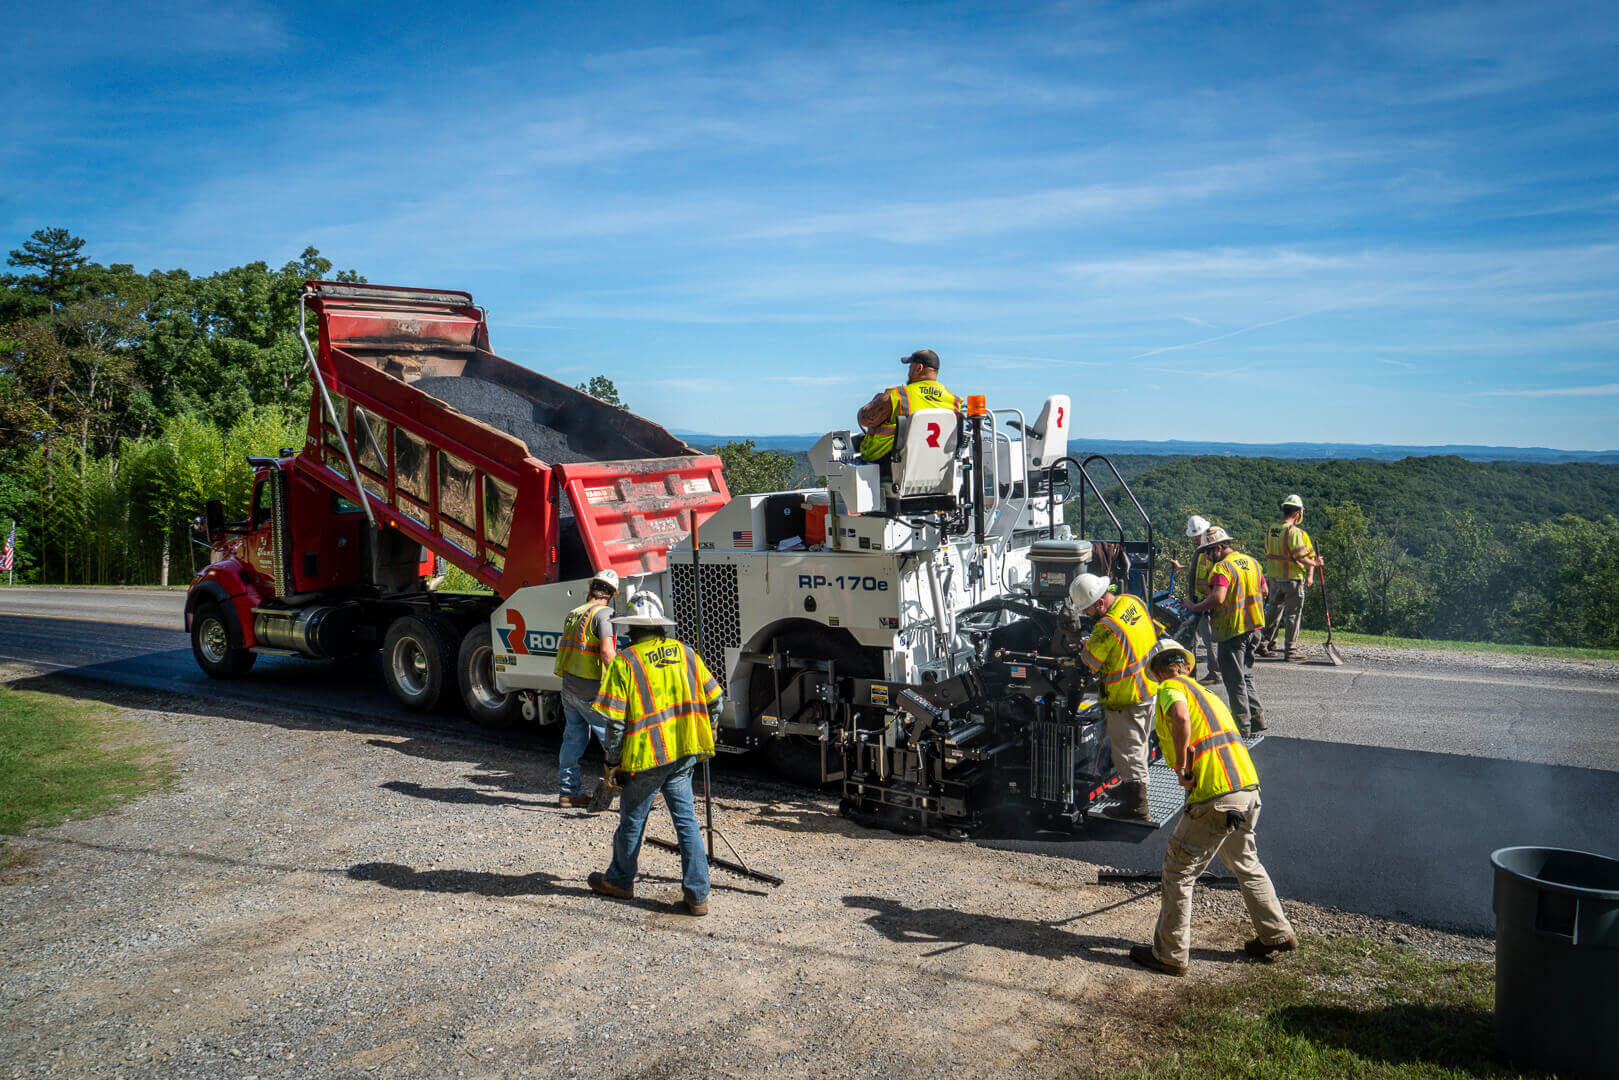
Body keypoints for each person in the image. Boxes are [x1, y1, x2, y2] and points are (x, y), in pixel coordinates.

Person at [1128, 639, 1296, 977]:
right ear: (1188, 666)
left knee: (1179, 869)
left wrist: (1184, 770)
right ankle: (1276, 933)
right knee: (1246, 862)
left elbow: (1179, 718)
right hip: (1247, 790)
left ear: (1157, 672)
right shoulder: (1210, 696)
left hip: (1215, 794)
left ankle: (1170, 954)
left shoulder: (1171, 689)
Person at [587, 590, 724, 916]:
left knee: (632, 819)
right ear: (660, 627)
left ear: (632, 629)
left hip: (648, 757)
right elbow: (715, 701)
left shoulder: (625, 663)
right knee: (687, 822)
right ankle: (697, 896)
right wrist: (712, 726)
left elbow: (616, 724)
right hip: (684, 752)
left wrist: (611, 762)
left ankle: (620, 881)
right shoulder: (686, 653)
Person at [1068, 572, 1161, 819]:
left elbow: (1089, 663)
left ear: (1099, 603)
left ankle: (1137, 805)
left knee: (1129, 753)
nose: (1086, 615)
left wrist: (1080, 644)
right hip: (1149, 686)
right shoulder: (1133, 601)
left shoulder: (1106, 628)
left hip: (1127, 698)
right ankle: (1129, 790)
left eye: (1087, 610)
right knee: (1139, 745)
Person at [1186, 527, 1269, 736]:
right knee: (1246, 675)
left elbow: (1219, 597)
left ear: (1218, 548)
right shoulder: (1252, 562)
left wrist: (1195, 606)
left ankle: (1242, 728)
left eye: (1208, 551)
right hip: (1255, 627)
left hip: (1234, 630)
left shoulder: (1222, 568)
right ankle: (1257, 719)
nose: (1206, 556)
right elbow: (1265, 591)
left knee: (1234, 680)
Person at [553, 569, 620, 808]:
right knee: (615, 740)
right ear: (611, 595)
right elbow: (606, 652)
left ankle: (568, 793)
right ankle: (636, 791)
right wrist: (622, 680)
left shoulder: (574, 613)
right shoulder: (604, 615)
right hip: (590, 691)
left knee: (573, 740)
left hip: (569, 688)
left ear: (591, 589)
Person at [855, 349, 961, 464]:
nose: (908, 371)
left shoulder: (898, 396)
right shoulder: (953, 401)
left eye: (910, 366)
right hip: (935, 466)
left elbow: (864, 419)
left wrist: (877, 399)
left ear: (919, 368)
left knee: (854, 443)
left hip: (891, 466)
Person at [1258, 494, 1323, 661]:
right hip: (1292, 579)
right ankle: (1291, 651)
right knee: (1293, 615)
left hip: (1273, 578)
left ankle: (1263, 644)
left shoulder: (1271, 529)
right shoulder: (1294, 532)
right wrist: (1315, 563)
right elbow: (1300, 556)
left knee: (1273, 612)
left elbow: (1267, 551)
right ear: (1297, 513)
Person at [1166, 514, 1221, 684]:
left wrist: (1209, 600)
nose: (1194, 539)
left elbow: (1218, 577)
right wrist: (1180, 567)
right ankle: (1194, 673)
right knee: (1197, 637)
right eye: (1193, 536)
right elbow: (1197, 571)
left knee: (1209, 638)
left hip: (1208, 602)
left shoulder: (1211, 551)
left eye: (1196, 536)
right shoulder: (1201, 551)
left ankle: (1215, 673)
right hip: (1199, 601)